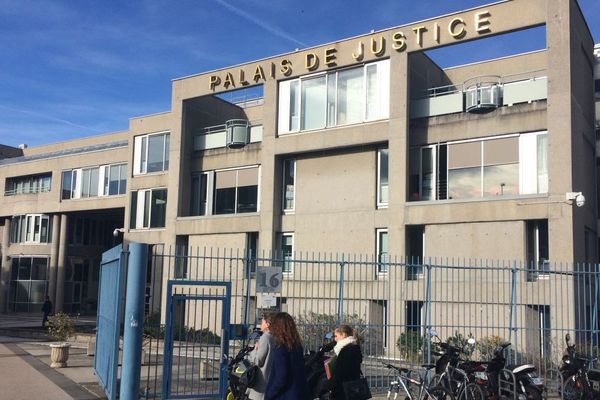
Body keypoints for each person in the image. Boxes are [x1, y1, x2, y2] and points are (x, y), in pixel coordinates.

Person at [264, 312, 308, 400]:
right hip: (298, 393)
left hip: (284, 395)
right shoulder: (297, 347)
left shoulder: (281, 349)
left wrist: (269, 394)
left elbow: (281, 376)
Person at [324, 324, 363, 400]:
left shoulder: (346, 351)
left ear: (344, 335)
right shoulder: (354, 348)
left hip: (343, 390)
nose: (335, 339)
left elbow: (340, 373)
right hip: (352, 389)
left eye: (336, 336)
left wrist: (327, 385)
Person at [247, 313, 276, 400]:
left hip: (261, 385)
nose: (260, 324)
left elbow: (258, 361)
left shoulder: (265, 338)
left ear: (268, 324)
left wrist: (255, 350)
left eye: (262, 321)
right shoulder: (275, 337)